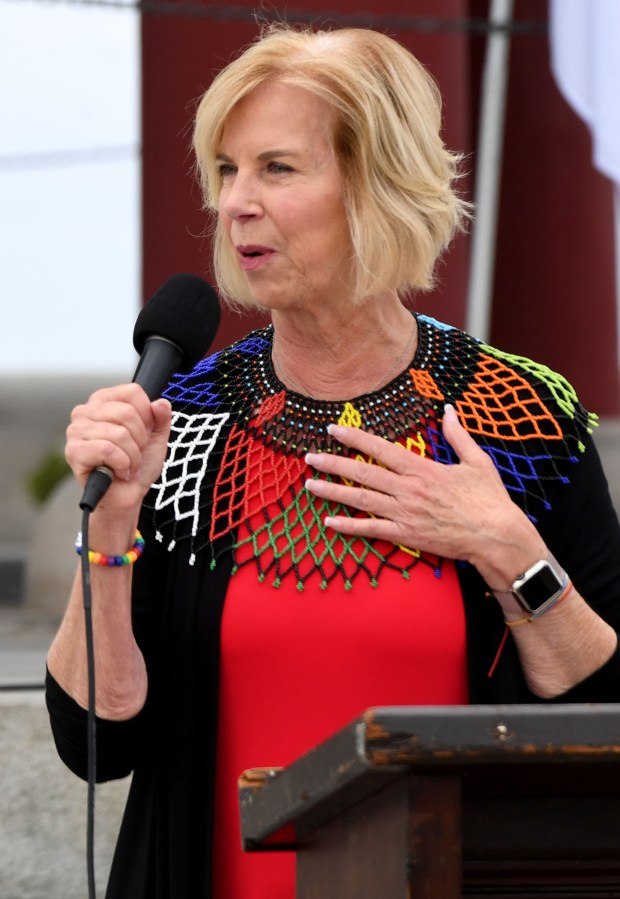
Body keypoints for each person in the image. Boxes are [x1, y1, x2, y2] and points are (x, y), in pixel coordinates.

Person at [46, 24, 620, 899]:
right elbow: (97, 741)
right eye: (228, 169)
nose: (236, 201)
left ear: (378, 185)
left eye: (277, 168)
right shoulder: (186, 422)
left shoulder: (524, 414)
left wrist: (509, 551)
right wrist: (110, 535)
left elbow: (606, 711)